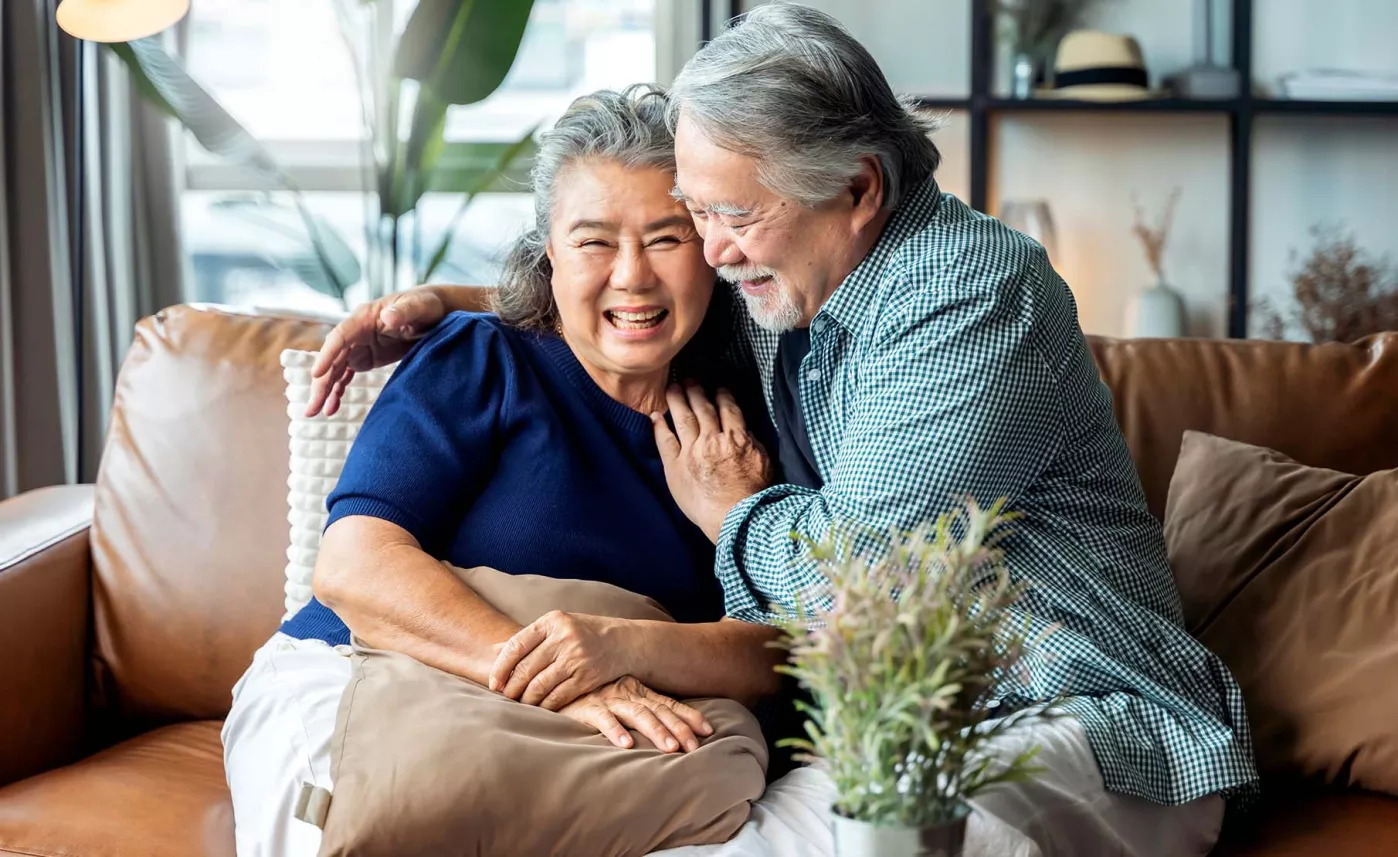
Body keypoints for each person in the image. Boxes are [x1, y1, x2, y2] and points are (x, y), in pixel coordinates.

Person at [311, 6, 1261, 855]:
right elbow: (631, 290)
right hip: (899, 713)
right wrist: (457, 303)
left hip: (1077, 714)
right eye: (701, 212)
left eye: (728, 216)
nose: (714, 249)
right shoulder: (793, 276)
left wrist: (736, 510)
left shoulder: (969, 303)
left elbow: (855, 585)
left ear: (856, 189)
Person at [221, 85, 793, 857]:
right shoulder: (483, 357)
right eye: (593, 241)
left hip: (617, 722)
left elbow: (779, 651)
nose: (632, 277)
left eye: (666, 238)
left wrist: (725, 533)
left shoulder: (742, 426)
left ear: (714, 249)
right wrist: (564, 672)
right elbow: (353, 565)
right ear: (548, 252)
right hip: (377, 668)